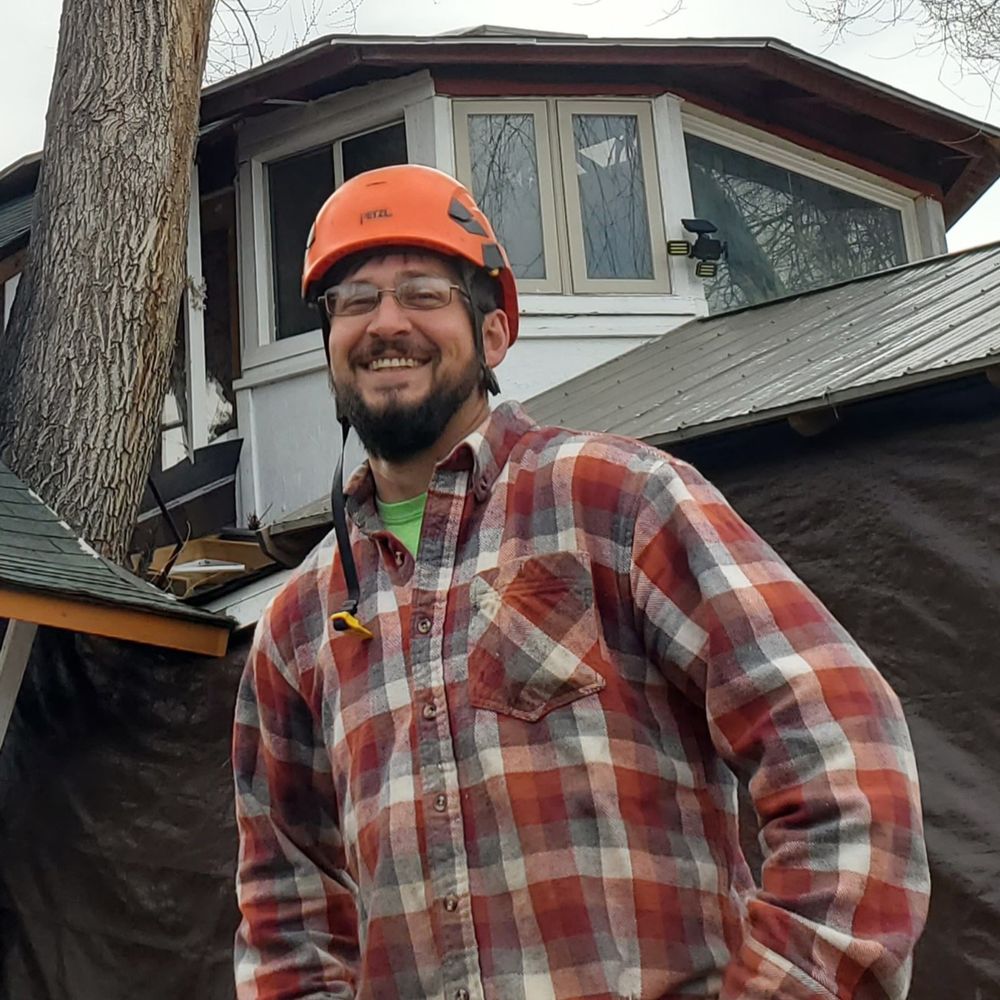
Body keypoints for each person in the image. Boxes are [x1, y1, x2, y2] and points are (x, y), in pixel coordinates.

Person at [232, 164, 929, 1000]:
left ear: (491, 336)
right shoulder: (299, 625)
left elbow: (847, 758)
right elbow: (286, 919)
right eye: (354, 301)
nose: (387, 323)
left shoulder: (619, 501)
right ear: (331, 346)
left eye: (422, 294)